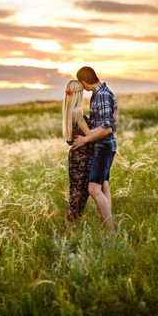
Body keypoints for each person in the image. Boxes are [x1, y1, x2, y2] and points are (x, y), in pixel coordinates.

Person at [73, 67, 118, 235]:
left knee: (93, 189)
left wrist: (85, 139)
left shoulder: (102, 96)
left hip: (103, 146)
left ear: (84, 81)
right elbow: (106, 124)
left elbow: (107, 130)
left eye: (80, 83)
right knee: (104, 186)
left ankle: (111, 232)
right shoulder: (101, 94)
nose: (81, 87)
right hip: (104, 146)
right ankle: (108, 227)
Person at [62, 80, 96, 229]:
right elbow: (90, 135)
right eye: (81, 92)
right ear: (78, 94)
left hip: (75, 157)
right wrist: (107, 126)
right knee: (79, 194)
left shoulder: (68, 111)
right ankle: (68, 229)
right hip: (82, 157)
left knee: (76, 193)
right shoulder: (77, 112)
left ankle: (69, 227)